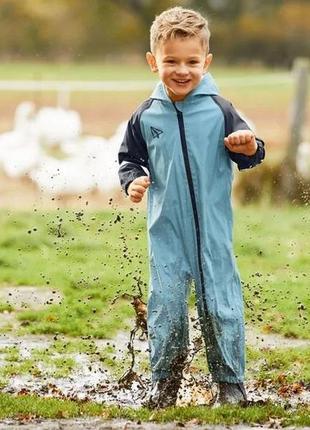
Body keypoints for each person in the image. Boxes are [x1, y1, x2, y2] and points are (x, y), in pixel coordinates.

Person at [118, 6, 265, 409]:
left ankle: (230, 386)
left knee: (219, 302)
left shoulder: (220, 108)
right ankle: (164, 385)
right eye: (171, 61)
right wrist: (133, 180)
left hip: (213, 230)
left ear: (207, 61)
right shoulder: (145, 116)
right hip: (166, 231)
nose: (181, 70)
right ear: (153, 62)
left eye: (191, 61)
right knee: (166, 305)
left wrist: (248, 147)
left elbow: (252, 151)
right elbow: (129, 159)